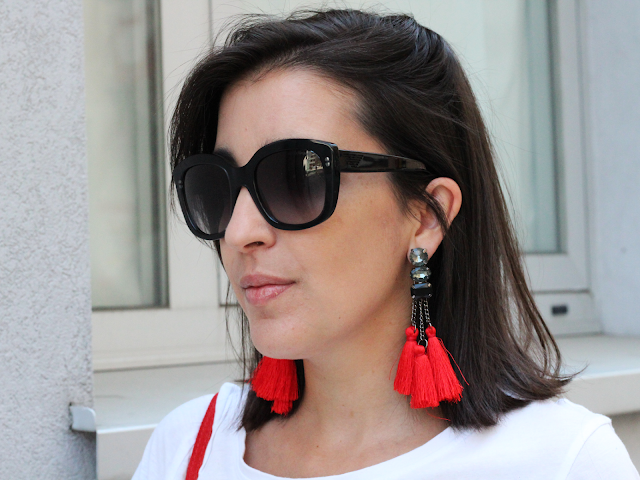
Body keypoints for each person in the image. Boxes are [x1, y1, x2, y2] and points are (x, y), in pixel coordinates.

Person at [133, 9, 639, 480]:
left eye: (296, 178)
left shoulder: (561, 461)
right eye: (217, 186)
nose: (239, 231)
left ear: (426, 216)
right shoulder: (187, 447)